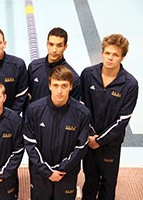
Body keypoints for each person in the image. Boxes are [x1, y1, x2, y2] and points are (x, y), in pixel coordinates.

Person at [81, 34, 138, 200]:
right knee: (90, 181)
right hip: (89, 140)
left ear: (122, 57)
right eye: (108, 53)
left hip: (110, 144)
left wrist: (99, 140)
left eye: (115, 55)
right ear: (102, 53)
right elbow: (82, 107)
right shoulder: (88, 74)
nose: (110, 58)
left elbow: (123, 120)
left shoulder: (130, 84)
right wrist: (91, 136)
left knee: (108, 183)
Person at [23, 65, 92, 200]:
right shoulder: (34, 110)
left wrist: (62, 169)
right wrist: (46, 171)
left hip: (67, 173)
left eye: (64, 86)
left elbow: (81, 146)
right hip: (40, 173)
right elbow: (30, 144)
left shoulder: (82, 113)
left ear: (71, 86)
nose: (59, 90)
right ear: (49, 86)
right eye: (56, 85)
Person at [27, 27, 80, 103]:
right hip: (35, 114)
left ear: (65, 47)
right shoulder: (34, 67)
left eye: (59, 45)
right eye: (51, 44)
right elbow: (26, 97)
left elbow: (73, 108)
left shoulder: (73, 77)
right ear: (47, 44)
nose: (54, 50)